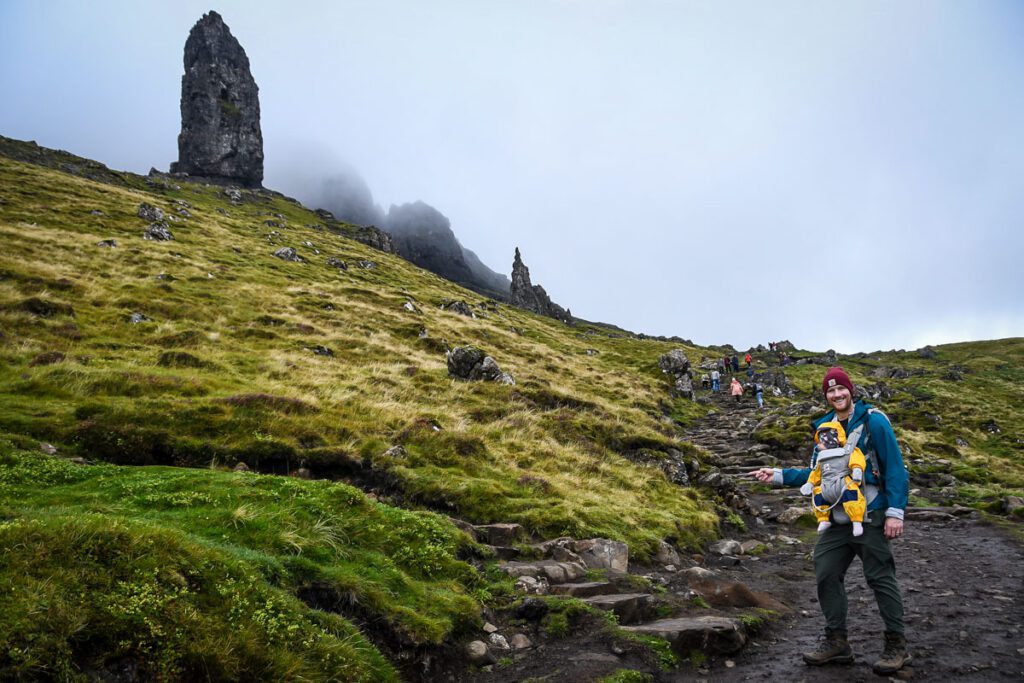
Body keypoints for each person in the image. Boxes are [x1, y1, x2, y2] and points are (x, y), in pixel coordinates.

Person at [751, 367, 910, 674]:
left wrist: (895, 512)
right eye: (831, 391)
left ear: (851, 390)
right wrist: (778, 475)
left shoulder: (874, 420)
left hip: (871, 515)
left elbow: (895, 468)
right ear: (826, 395)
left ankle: (897, 645)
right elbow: (816, 473)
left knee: (880, 578)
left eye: (841, 390)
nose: (837, 395)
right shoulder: (824, 428)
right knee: (825, 572)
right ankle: (837, 642)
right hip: (836, 518)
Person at [802, 421, 867, 536]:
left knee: (852, 493)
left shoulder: (848, 451)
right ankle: (823, 519)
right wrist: (810, 483)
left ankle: (856, 521)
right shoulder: (821, 459)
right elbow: (816, 473)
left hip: (842, 482)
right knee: (818, 494)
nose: (819, 445)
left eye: (822, 441)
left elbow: (857, 460)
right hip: (826, 484)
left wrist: (857, 470)